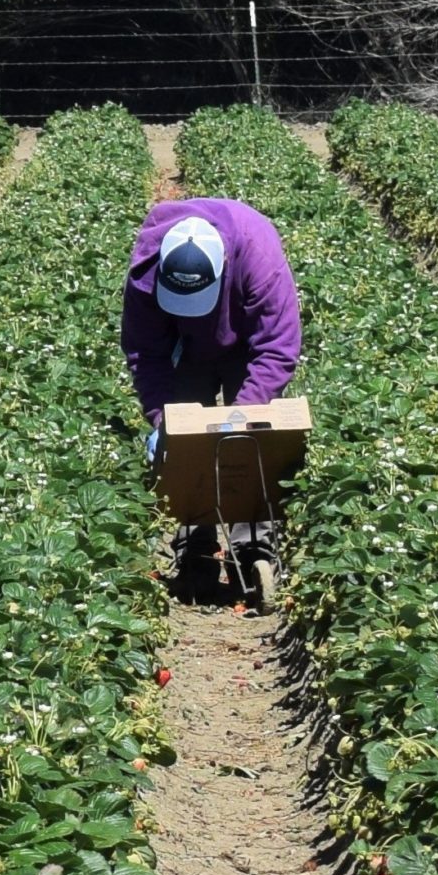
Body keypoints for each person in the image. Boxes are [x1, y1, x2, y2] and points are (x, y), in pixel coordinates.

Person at [121, 198, 301, 591]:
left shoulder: (259, 259)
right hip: (184, 346)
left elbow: (277, 347)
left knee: (246, 440)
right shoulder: (146, 274)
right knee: (187, 440)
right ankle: (194, 537)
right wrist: (162, 416)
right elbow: (145, 353)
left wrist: (239, 418)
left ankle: (252, 541)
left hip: (245, 341)